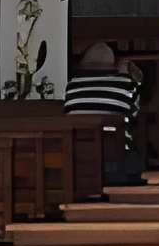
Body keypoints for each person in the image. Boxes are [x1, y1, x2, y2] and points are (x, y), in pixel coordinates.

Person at [61, 39, 144, 184]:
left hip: (77, 154)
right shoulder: (124, 84)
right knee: (136, 160)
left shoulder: (72, 85)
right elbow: (134, 112)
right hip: (114, 158)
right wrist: (126, 73)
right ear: (113, 65)